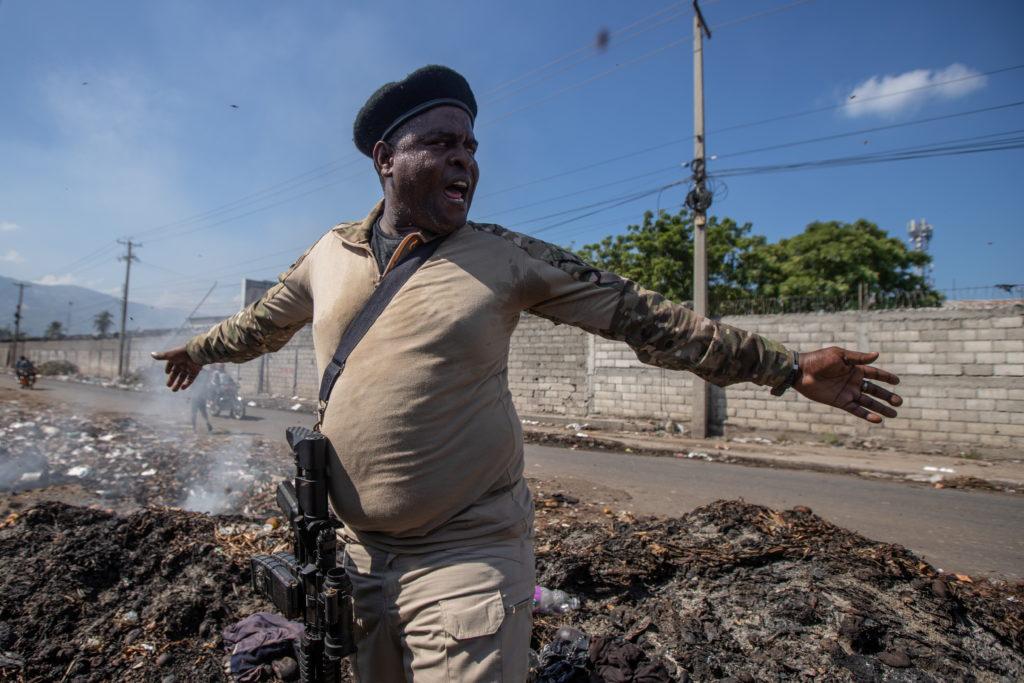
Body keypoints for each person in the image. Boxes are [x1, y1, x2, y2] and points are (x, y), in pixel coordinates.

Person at [153, 65, 903, 682]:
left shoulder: (505, 258)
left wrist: (785, 366)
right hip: (355, 556)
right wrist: (198, 351)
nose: (466, 160)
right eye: (442, 142)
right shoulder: (327, 254)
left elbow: (646, 317)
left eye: (472, 148)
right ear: (385, 157)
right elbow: (260, 324)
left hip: (466, 549)